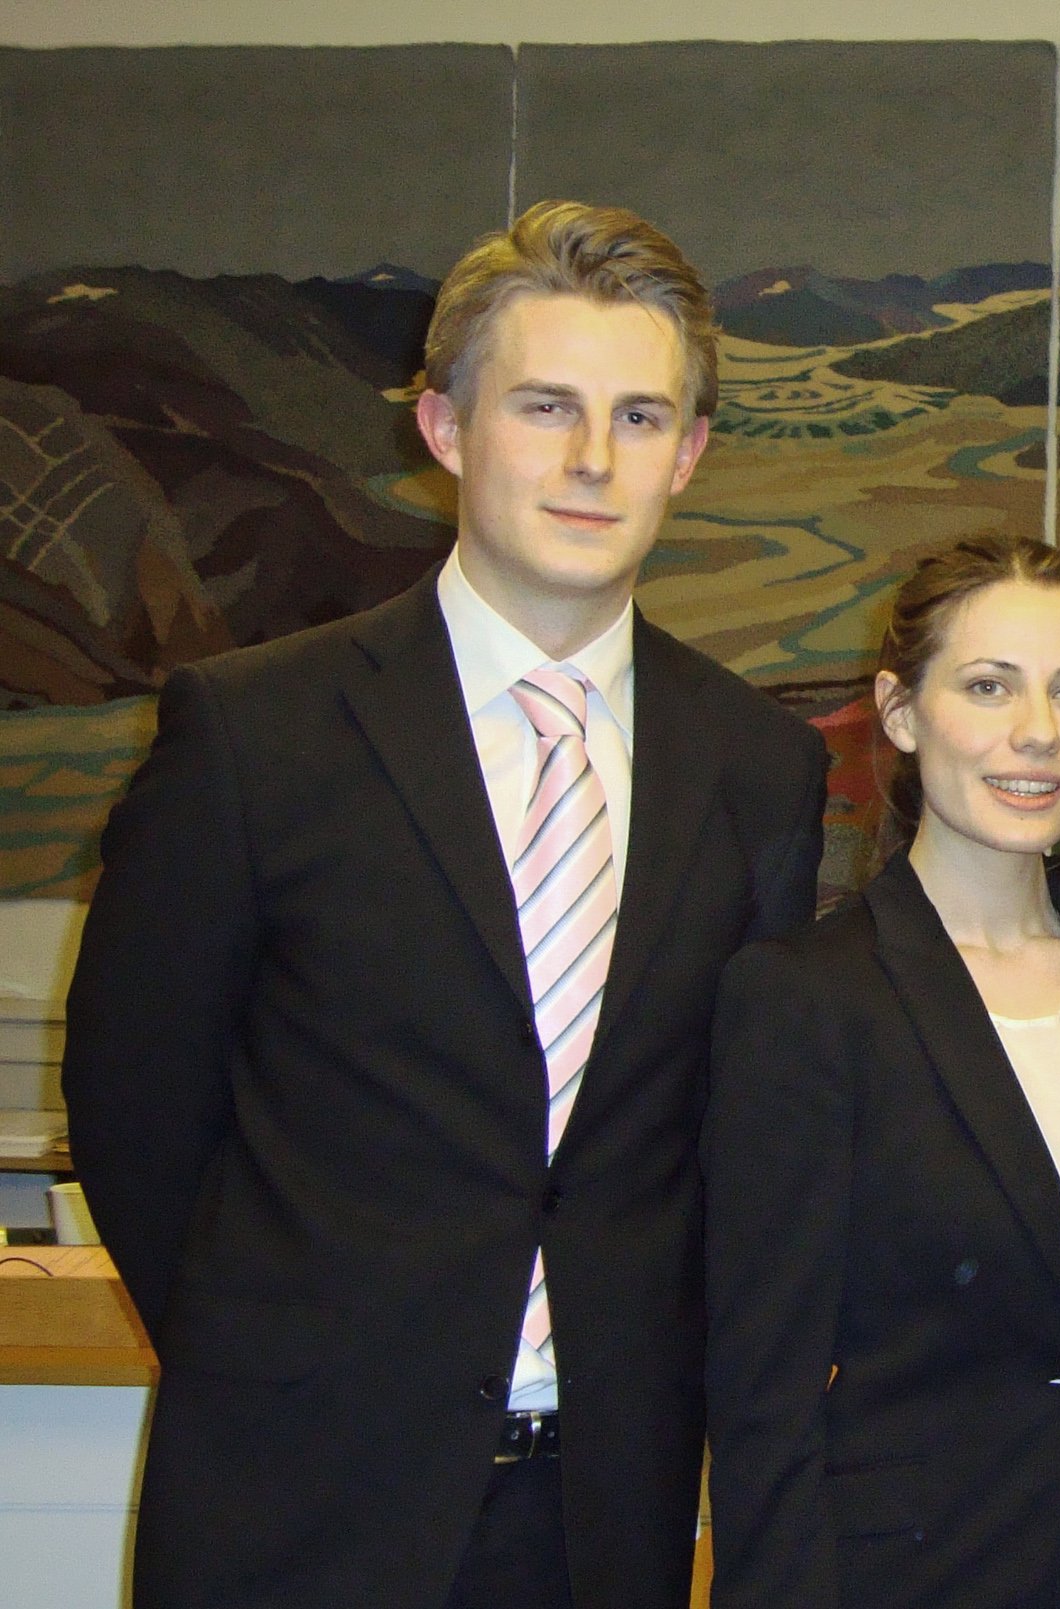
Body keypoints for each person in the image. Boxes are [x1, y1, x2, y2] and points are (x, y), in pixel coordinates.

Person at [61, 201, 828, 1609]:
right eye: (545, 406)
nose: (594, 460)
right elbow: (132, 1100)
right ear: (444, 428)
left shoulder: (760, 770)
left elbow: (733, 1140)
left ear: (692, 455)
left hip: (605, 1516)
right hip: (299, 1502)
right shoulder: (254, 736)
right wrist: (273, 1356)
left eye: (641, 417)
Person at [703, 534, 1060, 1609]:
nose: (1036, 732)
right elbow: (766, 1393)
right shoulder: (805, 995)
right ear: (899, 711)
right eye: (988, 686)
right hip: (918, 1566)